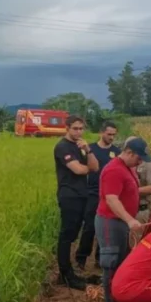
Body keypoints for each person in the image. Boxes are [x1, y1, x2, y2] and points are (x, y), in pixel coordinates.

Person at [95, 136, 151, 302]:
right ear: (128, 152)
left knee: (122, 262)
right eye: (138, 158)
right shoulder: (114, 170)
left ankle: (120, 299)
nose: (140, 162)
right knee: (111, 262)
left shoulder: (128, 168)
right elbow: (112, 199)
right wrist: (129, 220)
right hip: (110, 222)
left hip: (120, 222)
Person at [54, 116, 99, 290]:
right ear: (67, 128)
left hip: (81, 194)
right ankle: (66, 274)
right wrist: (89, 168)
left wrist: (88, 150)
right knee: (66, 235)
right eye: (75, 128)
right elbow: (78, 170)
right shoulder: (62, 147)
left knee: (73, 234)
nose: (79, 132)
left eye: (81, 129)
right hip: (69, 195)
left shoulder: (80, 146)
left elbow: (96, 167)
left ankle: (68, 272)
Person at [76, 121, 120, 272]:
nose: (111, 137)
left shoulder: (117, 152)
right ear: (101, 133)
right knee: (89, 227)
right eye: (109, 134)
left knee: (105, 228)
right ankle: (81, 258)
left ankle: (100, 259)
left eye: (114, 135)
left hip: (109, 195)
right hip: (93, 193)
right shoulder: (90, 149)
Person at [124, 135, 151, 223]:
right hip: (122, 210)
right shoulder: (120, 164)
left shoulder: (149, 164)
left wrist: (129, 191)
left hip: (139, 210)